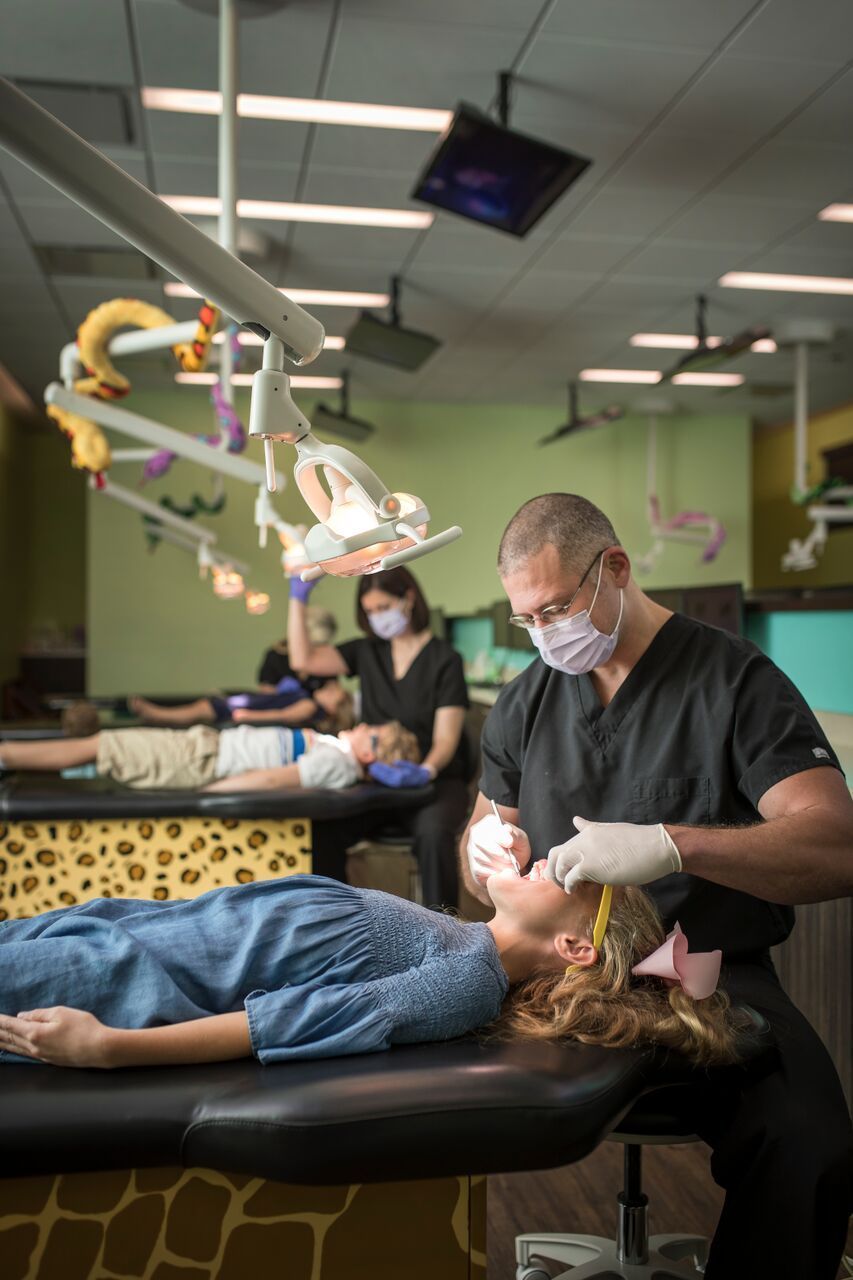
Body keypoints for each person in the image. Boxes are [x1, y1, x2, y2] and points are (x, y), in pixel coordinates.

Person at [462, 492, 853, 1280]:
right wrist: (483, 851)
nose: (543, 634)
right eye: (525, 620)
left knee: (808, 1141)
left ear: (613, 569)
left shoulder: (735, 682)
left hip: (711, 970)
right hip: (560, 977)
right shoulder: (526, 699)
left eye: (556, 609)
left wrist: (674, 845)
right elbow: (481, 849)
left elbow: (837, 847)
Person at [0, 861, 740, 1070]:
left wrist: (110, 1049)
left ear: (574, 946)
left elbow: (286, 1022)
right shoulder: (458, 939)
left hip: (129, 983)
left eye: (566, 875)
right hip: (133, 928)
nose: (548, 855)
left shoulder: (464, 983)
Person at [288, 567, 470, 910]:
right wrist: (297, 599)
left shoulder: (445, 660)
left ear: (409, 598)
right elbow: (303, 659)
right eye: (369, 611)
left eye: (383, 607)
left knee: (433, 835)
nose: (376, 618)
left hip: (435, 782)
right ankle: (335, 923)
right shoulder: (366, 652)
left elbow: (446, 739)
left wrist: (425, 771)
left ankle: (446, 936)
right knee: (324, 828)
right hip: (378, 782)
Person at [0, 719, 419, 793]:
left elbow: (275, 780)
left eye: (373, 733)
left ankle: (8, 756)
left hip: (201, 763)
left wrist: (216, 792)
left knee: (102, 746)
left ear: (374, 755)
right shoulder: (337, 750)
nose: (363, 727)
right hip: (203, 748)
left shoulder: (339, 762)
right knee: (102, 747)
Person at [128, 677, 353, 734]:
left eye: (333, 693)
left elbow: (281, 715)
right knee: (200, 709)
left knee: (198, 710)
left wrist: (249, 716)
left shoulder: (310, 707)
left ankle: (157, 714)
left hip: (248, 712)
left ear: (335, 707)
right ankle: (158, 716)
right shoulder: (307, 701)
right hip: (248, 706)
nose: (328, 689)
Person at [257, 606, 338, 692]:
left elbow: (333, 695)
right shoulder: (276, 656)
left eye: (320, 645)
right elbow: (266, 692)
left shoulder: (327, 662)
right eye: (313, 643)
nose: (315, 649)